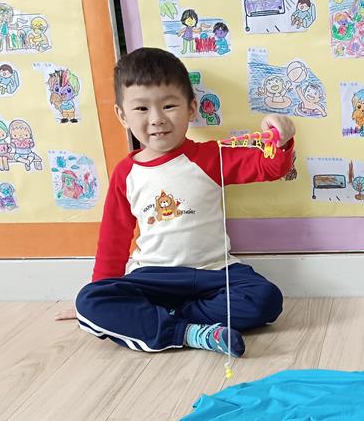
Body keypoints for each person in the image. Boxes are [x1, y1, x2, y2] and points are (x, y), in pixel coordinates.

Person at [59, 47, 295, 358]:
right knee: (90, 301)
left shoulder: (211, 156)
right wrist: (103, 293)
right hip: (152, 278)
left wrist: (282, 139)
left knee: (265, 298)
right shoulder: (126, 174)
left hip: (216, 273)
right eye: (141, 109)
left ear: (191, 108)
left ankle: (162, 319)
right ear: (122, 116)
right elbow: (113, 240)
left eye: (169, 106)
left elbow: (270, 167)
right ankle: (189, 333)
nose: (157, 119)